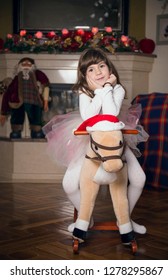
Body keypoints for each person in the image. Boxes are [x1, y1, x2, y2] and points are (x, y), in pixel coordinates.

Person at [43, 48, 148, 234]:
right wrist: (99, 91)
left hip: (114, 141)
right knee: (68, 184)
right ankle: (87, 218)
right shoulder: (84, 92)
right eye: (91, 69)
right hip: (88, 141)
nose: (98, 72)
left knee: (139, 179)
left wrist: (107, 88)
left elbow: (111, 114)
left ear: (109, 69)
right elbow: (88, 115)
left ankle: (125, 219)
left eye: (101, 66)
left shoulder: (117, 89)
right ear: (84, 76)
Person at [0, 57, 50, 139]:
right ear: (20, 66)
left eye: (28, 64)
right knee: (16, 117)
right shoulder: (16, 78)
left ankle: (36, 132)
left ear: (32, 66)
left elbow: (46, 86)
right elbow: (8, 93)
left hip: (34, 101)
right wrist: (3, 112)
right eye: (24, 64)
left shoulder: (37, 73)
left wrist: (45, 101)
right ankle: (16, 132)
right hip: (17, 102)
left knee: (36, 118)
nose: (26, 65)